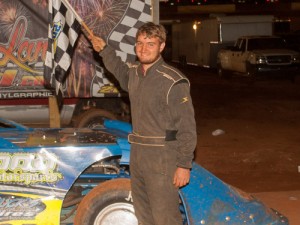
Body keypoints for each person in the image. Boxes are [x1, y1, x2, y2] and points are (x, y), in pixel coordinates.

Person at [89, 22, 197, 225]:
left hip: (162, 156)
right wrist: (104, 49)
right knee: (143, 214)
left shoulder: (173, 81)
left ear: (161, 46)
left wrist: (184, 164)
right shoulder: (135, 73)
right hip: (138, 154)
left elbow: (187, 127)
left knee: (164, 216)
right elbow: (119, 69)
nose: (143, 49)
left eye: (150, 44)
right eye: (139, 43)